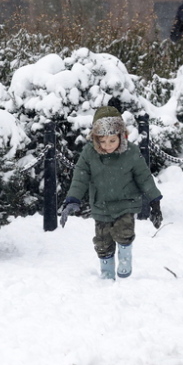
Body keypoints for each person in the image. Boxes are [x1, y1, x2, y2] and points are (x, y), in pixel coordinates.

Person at [60, 101, 164, 280]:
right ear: (95, 138)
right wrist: (72, 200)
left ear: (122, 136)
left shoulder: (131, 152)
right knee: (102, 242)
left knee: (124, 233)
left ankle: (125, 257)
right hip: (101, 205)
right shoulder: (89, 153)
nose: (107, 145)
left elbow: (144, 176)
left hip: (126, 203)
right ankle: (106, 274)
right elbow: (80, 177)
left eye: (112, 140)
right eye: (102, 141)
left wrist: (155, 201)